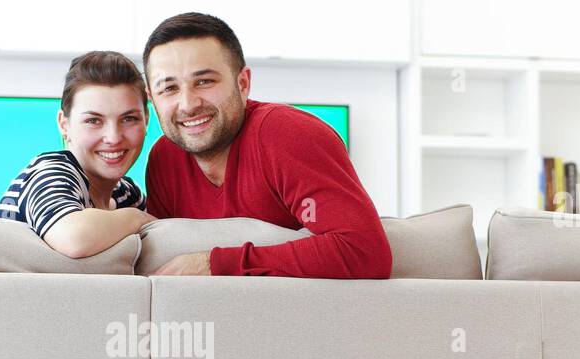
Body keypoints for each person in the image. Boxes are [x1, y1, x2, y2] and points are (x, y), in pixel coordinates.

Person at [142, 12, 393, 278]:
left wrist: (216, 264)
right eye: (168, 88)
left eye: (204, 81)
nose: (188, 104)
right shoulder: (163, 158)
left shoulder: (289, 136)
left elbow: (365, 252)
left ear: (243, 83)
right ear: (152, 98)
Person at [0, 51, 155, 258]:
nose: (113, 137)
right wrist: (138, 219)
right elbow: (74, 239)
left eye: (129, 119)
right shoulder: (51, 172)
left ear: (146, 119)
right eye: (93, 121)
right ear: (64, 124)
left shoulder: (125, 194)